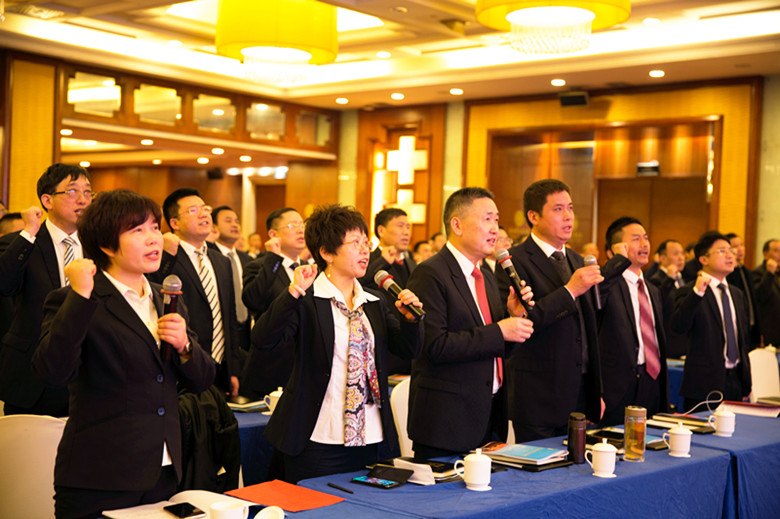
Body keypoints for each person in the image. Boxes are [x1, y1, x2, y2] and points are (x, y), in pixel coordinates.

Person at [31, 189, 215, 519]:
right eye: (137, 230)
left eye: (155, 227)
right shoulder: (76, 299)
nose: (153, 238)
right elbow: (52, 372)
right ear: (106, 244)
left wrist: (185, 347)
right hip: (100, 473)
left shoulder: (166, 298)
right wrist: (80, 296)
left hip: (163, 469)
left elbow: (202, 379)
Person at [251, 204, 423, 482]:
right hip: (317, 436)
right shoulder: (307, 299)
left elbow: (407, 349)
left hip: (371, 436)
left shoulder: (373, 301)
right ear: (326, 253)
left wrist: (411, 321)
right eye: (355, 243)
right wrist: (293, 292)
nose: (365, 250)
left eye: (366, 243)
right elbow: (263, 339)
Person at [496, 179, 629, 442]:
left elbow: (589, 332)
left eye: (570, 208)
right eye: (558, 209)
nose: (568, 216)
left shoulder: (577, 261)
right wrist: (569, 290)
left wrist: (595, 391)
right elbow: (522, 324)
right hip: (538, 398)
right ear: (533, 216)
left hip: (579, 395)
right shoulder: (514, 261)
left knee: (579, 464)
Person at [407, 187, 534, 459]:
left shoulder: (485, 276)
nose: (495, 229)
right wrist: (500, 330)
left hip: (489, 416)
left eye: (496, 220)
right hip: (447, 422)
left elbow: (495, 346)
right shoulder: (430, 273)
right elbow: (434, 346)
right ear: (457, 225)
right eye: (487, 219)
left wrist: (514, 319)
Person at [0, 163, 93, 416]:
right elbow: (4, 284)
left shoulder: (99, 246)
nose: (83, 200)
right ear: (47, 200)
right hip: (32, 376)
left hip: (88, 376)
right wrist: (29, 231)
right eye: (72, 191)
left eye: (88, 192)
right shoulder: (22, 243)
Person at [150, 188, 240, 397]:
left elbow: (230, 318)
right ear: (174, 223)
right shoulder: (165, 257)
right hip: (183, 366)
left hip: (220, 369)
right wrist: (167, 255)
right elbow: (153, 286)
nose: (203, 214)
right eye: (192, 210)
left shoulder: (221, 261)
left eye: (205, 209)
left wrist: (233, 370)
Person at [598, 217, 669, 425]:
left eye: (646, 238)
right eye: (636, 239)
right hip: (617, 388)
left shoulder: (652, 290)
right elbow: (594, 299)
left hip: (652, 381)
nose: (644, 244)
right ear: (614, 250)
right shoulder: (606, 286)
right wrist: (616, 263)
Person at [672, 232, 752, 410]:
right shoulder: (691, 291)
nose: (730, 255)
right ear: (704, 259)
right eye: (722, 251)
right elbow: (678, 326)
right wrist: (697, 293)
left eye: (731, 251)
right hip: (704, 386)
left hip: (735, 383)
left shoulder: (737, 294)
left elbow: (743, 341)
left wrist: (746, 381)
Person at [240, 207, 306, 399]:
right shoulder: (260, 266)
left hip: (302, 368)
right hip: (270, 368)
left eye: (302, 225)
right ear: (273, 234)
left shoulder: (309, 270)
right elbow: (253, 300)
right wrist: (273, 258)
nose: (300, 230)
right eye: (292, 226)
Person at [360, 207, 416, 375]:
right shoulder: (369, 261)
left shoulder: (412, 264)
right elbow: (359, 284)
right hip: (383, 354)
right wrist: (383, 261)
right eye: (400, 226)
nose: (406, 232)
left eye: (408, 227)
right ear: (381, 230)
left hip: (409, 353)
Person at [211, 206, 252, 352]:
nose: (234, 225)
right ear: (214, 227)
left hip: (246, 331)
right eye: (228, 221)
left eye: (237, 221)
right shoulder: (210, 256)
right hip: (219, 332)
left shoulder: (247, 259)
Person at [648, 239, 689, 358]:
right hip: (669, 345)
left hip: (684, 343)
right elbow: (658, 304)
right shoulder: (656, 280)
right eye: (676, 254)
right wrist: (669, 279)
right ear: (662, 258)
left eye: (682, 253)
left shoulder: (681, 278)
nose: (681, 258)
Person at [725, 233, 761, 348]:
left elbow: (753, 302)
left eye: (742, 245)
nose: (740, 249)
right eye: (735, 246)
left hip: (751, 328)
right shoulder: (727, 273)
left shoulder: (747, 272)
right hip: (737, 328)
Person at [752, 238, 780, 348]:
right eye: (776, 250)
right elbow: (760, 296)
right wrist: (769, 273)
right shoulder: (758, 273)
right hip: (768, 337)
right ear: (765, 254)